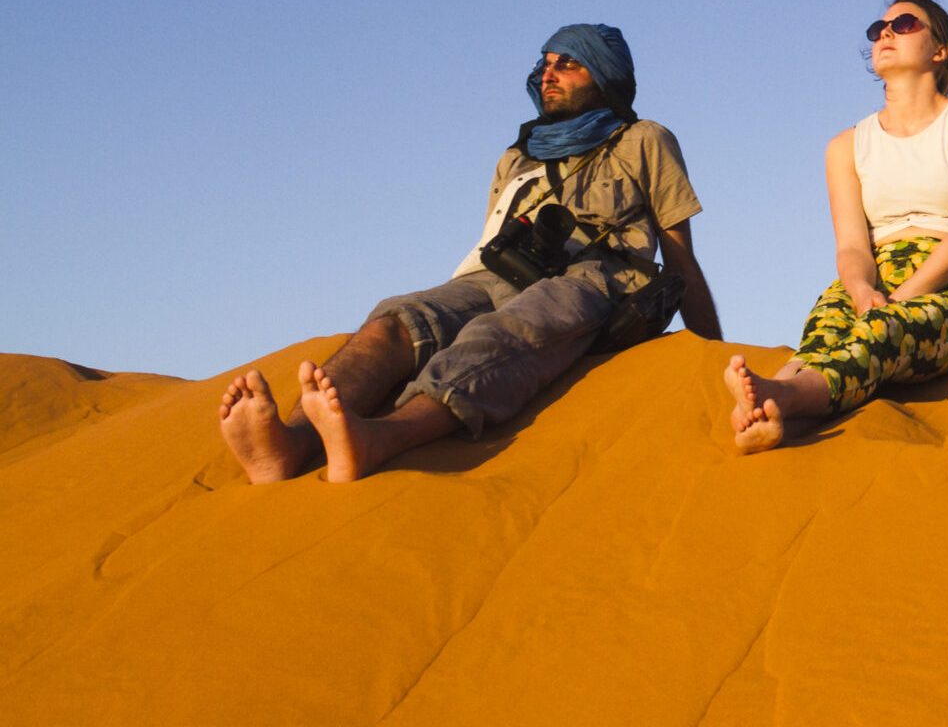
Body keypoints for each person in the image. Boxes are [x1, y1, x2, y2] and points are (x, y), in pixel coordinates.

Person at [216, 24, 721, 483]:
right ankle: (290, 444)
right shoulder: (517, 157)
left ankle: (379, 438)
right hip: (496, 274)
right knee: (397, 320)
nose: (549, 74)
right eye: (544, 64)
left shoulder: (643, 139)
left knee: (502, 332)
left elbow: (680, 255)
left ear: (604, 74)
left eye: (567, 63)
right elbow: (488, 244)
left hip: (596, 282)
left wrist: (710, 362)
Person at [726, 0, 948, 452]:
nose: (885, 33)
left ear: (940, 51)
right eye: (878, 29)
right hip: (869, 277)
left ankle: (775, 397)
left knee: (882, 333)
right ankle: (765, 411)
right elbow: (852, 248)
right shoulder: (845, 146)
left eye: (903, 25)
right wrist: (862, 291)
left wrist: (897, 300)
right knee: (823, 332)